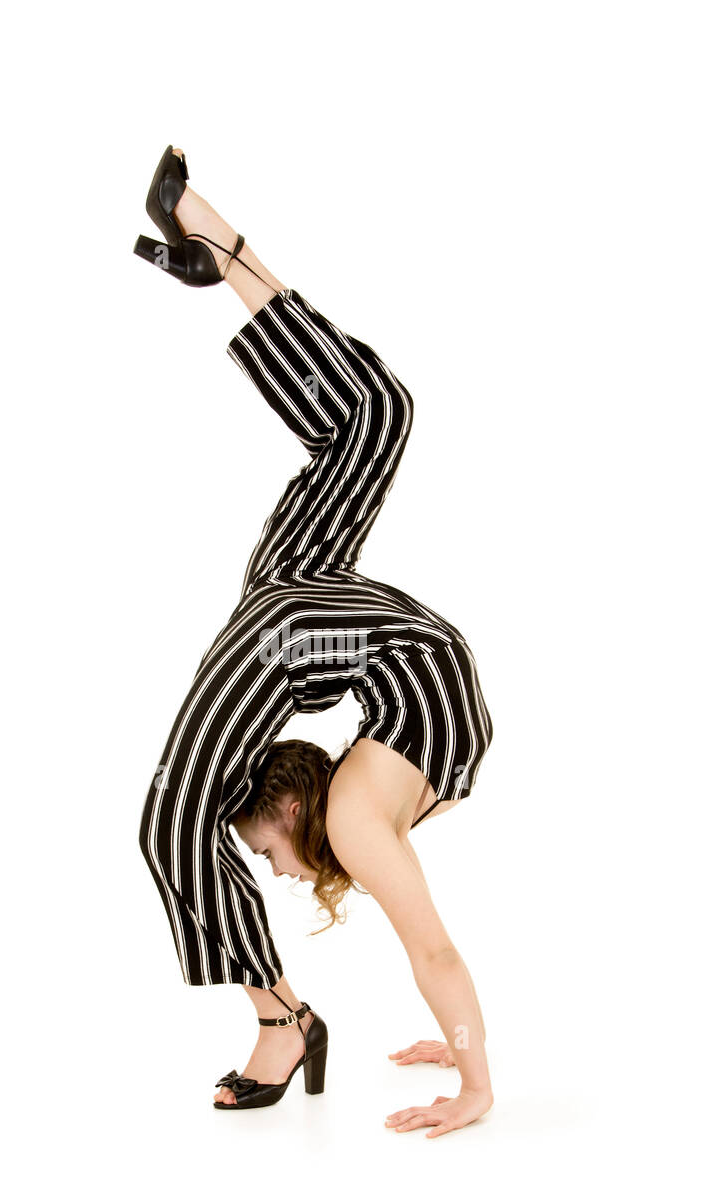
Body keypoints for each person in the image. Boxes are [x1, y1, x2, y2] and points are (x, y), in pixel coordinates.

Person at [135, 147, 495, 1138]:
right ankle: (282, 1017)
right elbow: (436, 955)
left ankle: (219, 242)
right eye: (267, 851)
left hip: (314, 605)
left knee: (376, 419)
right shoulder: (350, 816)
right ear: (293, 804)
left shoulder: (370, 795)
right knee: (171, 822)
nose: (280, 870)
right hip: (290, 632)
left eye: (261, 857)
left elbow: (432, 957)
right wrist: (472, 1075)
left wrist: (455, 1028)